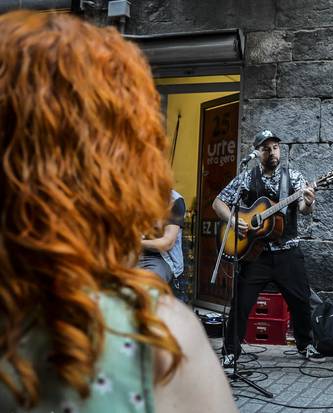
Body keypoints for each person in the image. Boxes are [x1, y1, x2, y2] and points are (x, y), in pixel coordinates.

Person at [0, 11, 236, 413]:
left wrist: (135, 240)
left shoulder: (174, 201)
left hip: (154, 260)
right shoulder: (162, 336)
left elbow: (165, 242)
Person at [212, 130, 324, 365]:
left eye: (275, 147)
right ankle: (231, 352)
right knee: (240, 303)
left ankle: (306, 346)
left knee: (300, 301)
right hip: (255, 254)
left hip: (287, 251)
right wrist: (234, 221)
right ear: (257, 152)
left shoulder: (292, 177)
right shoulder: (246, 177)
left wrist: (309, 200)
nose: (271, 152)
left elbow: (303, 208)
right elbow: (218, 202)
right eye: (266, 148)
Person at [138, 190, 186, 283]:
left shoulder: (174, 199)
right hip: (132, 254)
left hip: (161, 258)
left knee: (146, 283)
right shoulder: (131, 195)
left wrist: (135, 242)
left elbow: (167, 243)